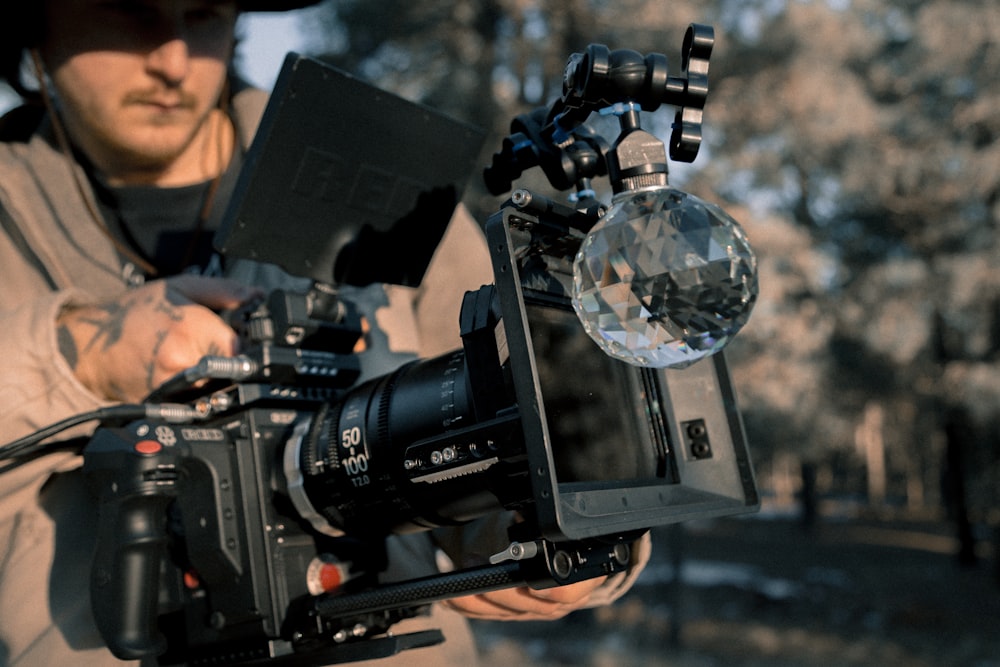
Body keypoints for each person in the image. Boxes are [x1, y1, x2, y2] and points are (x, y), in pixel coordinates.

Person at [0, 1, 648, 665]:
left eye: (201, 15)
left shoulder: (374, 168)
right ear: (37, 27)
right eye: (131, 12)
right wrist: (76, 351)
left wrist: (530, 519)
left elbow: (524, 403)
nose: (171, 59)